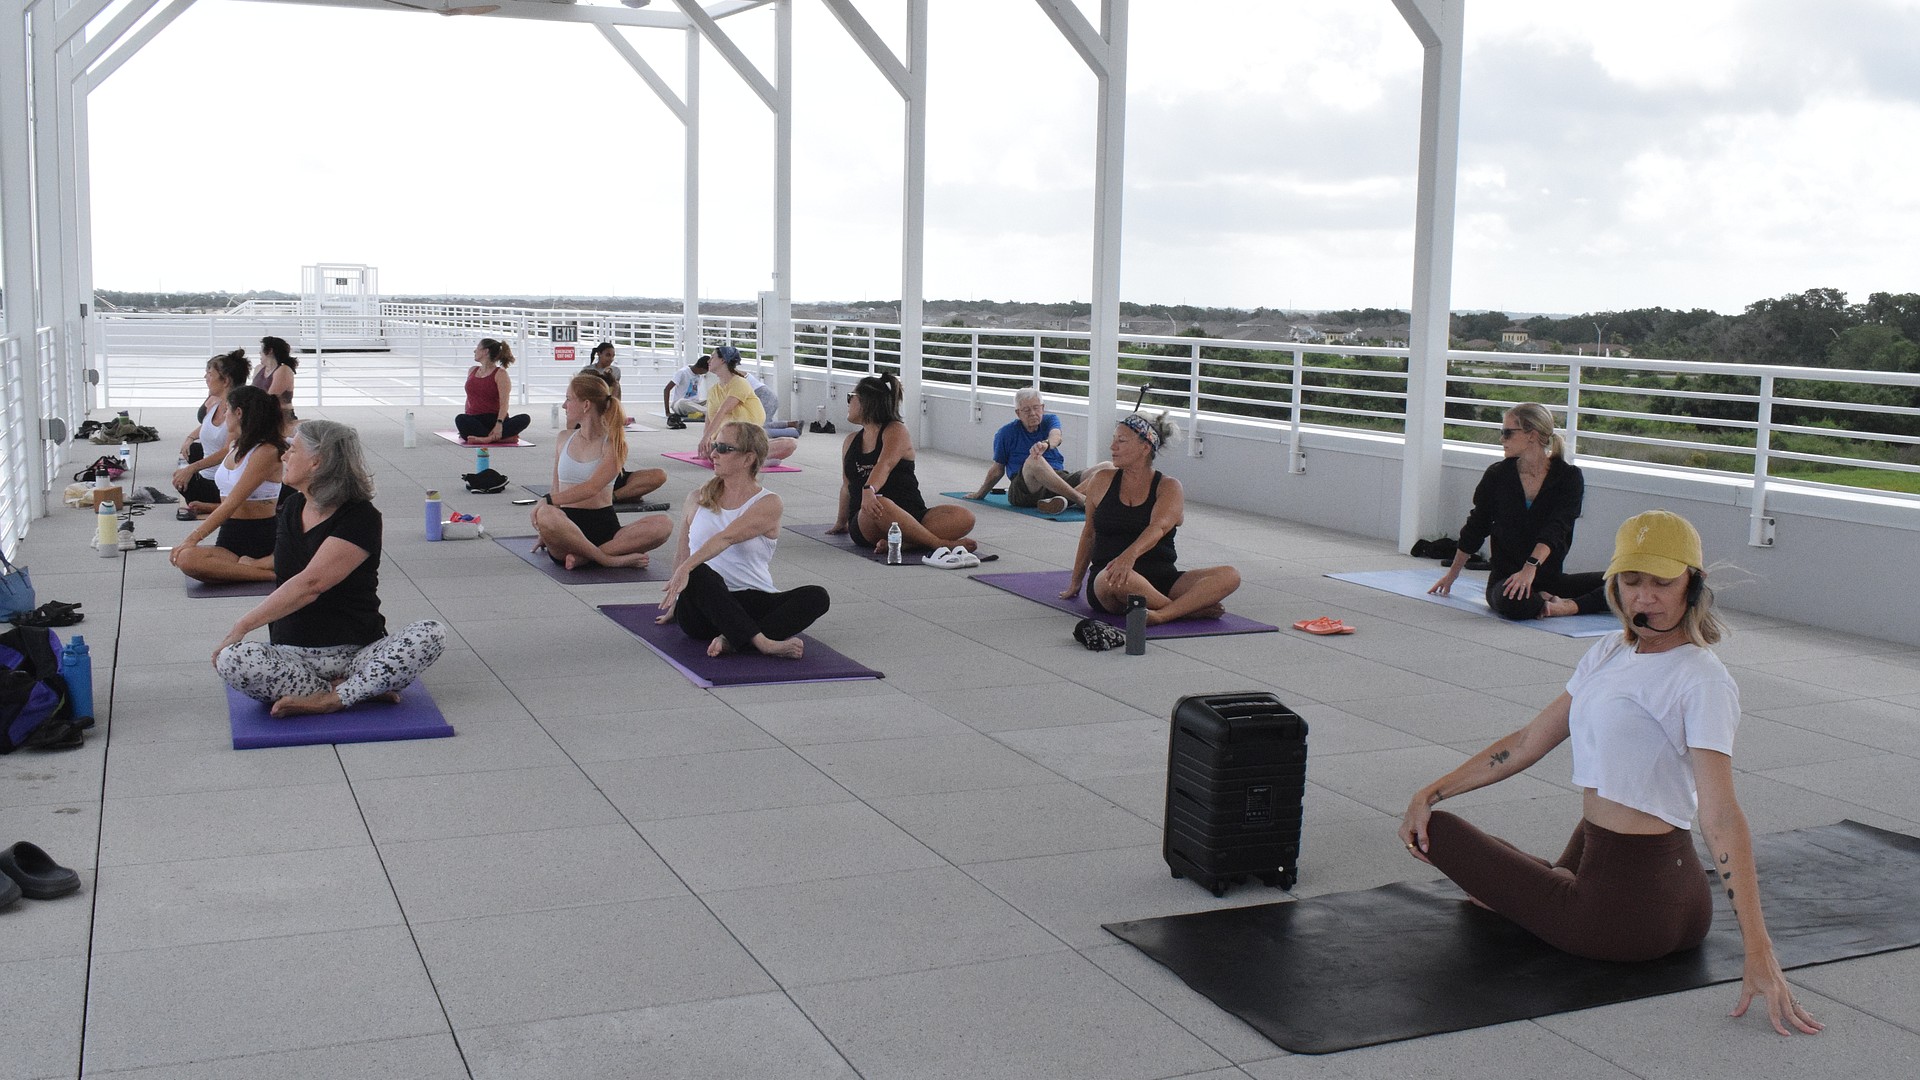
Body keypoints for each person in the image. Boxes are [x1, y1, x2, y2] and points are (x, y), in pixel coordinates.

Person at [1400, 510, 1823, 1038]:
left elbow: (1720, 816)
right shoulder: (1608, 652)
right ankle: (1551, 888)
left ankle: (1550, 893)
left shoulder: (1702, 679)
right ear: (1614, 584)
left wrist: (1760, 953)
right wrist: (1430, 789)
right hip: (1664, 891)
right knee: (1491, 858)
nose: (1645, 597)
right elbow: (1529, 742)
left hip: (1624, 917)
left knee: (1439, 835)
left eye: (1662, 583)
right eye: (1631, 581)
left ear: (1693, 585)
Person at [212, 421, 447, 718]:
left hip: (359, 653)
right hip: (294, 655)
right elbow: (288, 567)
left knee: (430, 633)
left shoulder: (360, 516)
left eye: (292, 449)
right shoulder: (291, 507)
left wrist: (243, 625)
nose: (284, 456)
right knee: (232, 661)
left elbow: (311, 584)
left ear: (317, 461)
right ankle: (358, 690)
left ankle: (332, 698)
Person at [655, 422, 830, 659]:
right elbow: (683, 552)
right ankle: (762, 642)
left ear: (748, 459)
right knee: (699, 572)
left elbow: (726, 537)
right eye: (715, 445)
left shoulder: (768, 503)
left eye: (724, 448)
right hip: (701, 610)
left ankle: (732, 640)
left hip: (751, 600)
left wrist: (686, 567)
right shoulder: (696, 498)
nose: (714, 453)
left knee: (817, 596)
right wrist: (676, 599)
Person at [1430, 402, 1606, 620]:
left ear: (1531, 435)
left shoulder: (1568, 477)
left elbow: (1557, 528)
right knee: (1513, 599)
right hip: (1506, 579)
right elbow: (1476, 526)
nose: (1502, 439)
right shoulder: (1497, 475)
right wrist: (1452, 575)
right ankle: (1545, 600)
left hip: (1550, 578)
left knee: (1622, 583)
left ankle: (1565, 606)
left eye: (1507, 433)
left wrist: (1529, 568)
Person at [1061, 412, 1240, 624]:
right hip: (1111, 577)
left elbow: (1159, 528)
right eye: (1114, 440)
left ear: (1145, 448)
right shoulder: (1101, 480)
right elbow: (1089, 533)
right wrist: (1075, 582)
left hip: (1162, 579)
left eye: (1121, 441)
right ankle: (1186, 610)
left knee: (1230, 575)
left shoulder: (1169, 487)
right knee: (1114, 580)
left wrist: (1129, 556)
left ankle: (1162, 614)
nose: (1112, 447)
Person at [530, 373, 673, 569]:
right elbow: (556, 489)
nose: (564, 405)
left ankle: (591, 557)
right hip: (566, 529)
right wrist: (546, 531)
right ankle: (605, 557)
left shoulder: (613, 444)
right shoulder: (563, 438)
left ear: (586, 405)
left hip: (605, 528)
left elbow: (592, 488)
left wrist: (547, 499)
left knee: (664, 524)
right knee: (545, 514)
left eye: (568, 399)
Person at [830, 373, 978, 554]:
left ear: (865, 402)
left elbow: (884, 464)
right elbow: (846, 486)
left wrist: (869, 489)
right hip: (869, 518)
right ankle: (936, 543)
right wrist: (841, 522)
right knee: (880, 503)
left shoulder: (895, 430)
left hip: (912, 514)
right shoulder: (851, 441)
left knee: (964, 516)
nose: (848, 403)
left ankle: (906, 543)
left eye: (850, 397)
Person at [170, 385, 285, 585]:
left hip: (261, 535)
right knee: (186, 559)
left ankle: (268, 571)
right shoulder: (235, 447)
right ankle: (255, 567)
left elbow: (233, 501)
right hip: (230, 535)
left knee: (188, 553)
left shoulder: (267, 451)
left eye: (226, 410)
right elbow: (229, 498)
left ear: (238, 413)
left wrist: (193, 538)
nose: (223, 416)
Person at [964, 388, 1103, 516]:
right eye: (1026, 410)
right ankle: (1079, 499)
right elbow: (997, 469)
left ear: (1042, 408)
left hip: (1057, 478)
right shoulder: (1005, 433)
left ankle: (1062, 501)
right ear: (1018, 413)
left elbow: (1056, 436)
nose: (1032, 413)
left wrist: (1046, 444)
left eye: (1036, 408)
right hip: (1025, 487)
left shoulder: (1050, 420)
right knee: (1034, 460)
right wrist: (980, 494)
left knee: (1107, 467)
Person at [172, 348, 251, 511]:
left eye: (210, 374)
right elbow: (209, 427)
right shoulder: (215, 403)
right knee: (185, 467)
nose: (205, 377)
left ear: (226, 381)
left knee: (185, 477)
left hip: (223, 484)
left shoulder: (237, 410)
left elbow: (227, 450)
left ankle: (218, 505)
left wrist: (192, 468)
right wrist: (190, 438)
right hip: (206, 476)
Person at [696, 348, 797, 463]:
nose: (709, 361)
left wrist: (706, 438)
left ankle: (750, 460)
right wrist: (705, 441)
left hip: (747, 438)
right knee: (715, 452)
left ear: (723, 360)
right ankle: (754, 461)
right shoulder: (713, 390)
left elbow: (723, 410)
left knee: (790, 444)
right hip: (725, 443)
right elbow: (709, 418)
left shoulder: (739, 382)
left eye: (712, 357)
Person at [454, 338, 533, 444]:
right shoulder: (472, 370)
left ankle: (488, 438)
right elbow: (469, 398)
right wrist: (466, 416)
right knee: (460, 419)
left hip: (495, 419)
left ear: (485, 351)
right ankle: (501, 438)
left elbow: (504, 403)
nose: (474, 351)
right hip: (475, 419)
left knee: (524, 418)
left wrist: (499, 424)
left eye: (477, 348)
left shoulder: (500, 374)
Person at [253, 336, 299, 429]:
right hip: (260, 415)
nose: (259, 353)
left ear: (270, 351)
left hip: (282, 417)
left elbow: (270, 398)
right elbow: (251, 392)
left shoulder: (283, 370)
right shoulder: (259, 368)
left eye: (261, 350)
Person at [662, 353, 710, 429]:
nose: (705, 373)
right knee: (683, 402)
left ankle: (708, 411)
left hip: (694, 403)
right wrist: (667, 412)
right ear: (701, 369)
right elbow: (666, 389)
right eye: (706, 371)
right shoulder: (682, 372)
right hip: (679, 404)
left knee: (711, 400)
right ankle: (709, 412)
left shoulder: (698, 375)